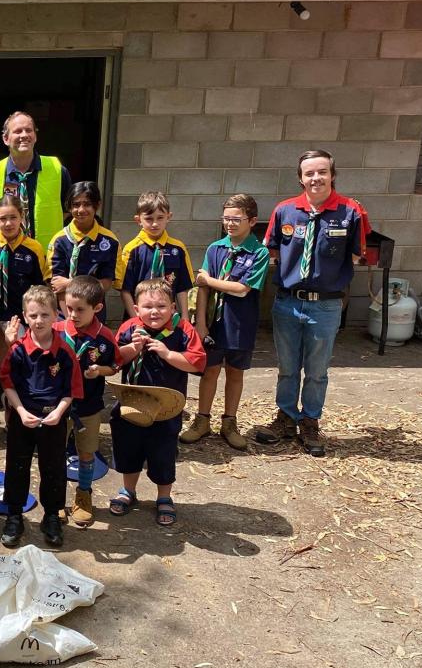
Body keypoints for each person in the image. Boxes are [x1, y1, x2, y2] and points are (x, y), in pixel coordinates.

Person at [254, 150, 370, 456]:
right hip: (288, 302)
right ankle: (285, 417)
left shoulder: (351, 211)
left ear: (332, 174)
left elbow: (359, 255)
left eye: (322, 172)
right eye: (309, 173)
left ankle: (310, 421)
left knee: (317, 370)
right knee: (287, 366)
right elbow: (274, 250)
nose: (315, 178)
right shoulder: (285, 210)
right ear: (300, 177)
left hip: (326, 305)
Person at [110, 279, 206, 527]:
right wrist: (133, 347)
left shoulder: (183, 329)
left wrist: (167, 353)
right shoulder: (129, 327)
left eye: (162, 306)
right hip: (132, 404)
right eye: (148, 306)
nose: (155, 312)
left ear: (173, 307)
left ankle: (164, 497)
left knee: (163, 452)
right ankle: (128, 491)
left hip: (166, 409)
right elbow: (113, 361)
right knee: (128, 448)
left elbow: (197, 363)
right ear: (137, 309)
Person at [180, 194, 270, 451]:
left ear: (252, 221)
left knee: (235, 372)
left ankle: (229, 422)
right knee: (210, 371)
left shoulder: (259, 252)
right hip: (213, 323)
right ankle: (202, 420)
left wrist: (208, 280)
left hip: (240, 321)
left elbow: (242, 289)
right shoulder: (215, 248)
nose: (230, 224)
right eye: (226, 218)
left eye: (236, 219)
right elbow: (202, 289)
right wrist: (200, 324)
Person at [0, 285, 82, 547]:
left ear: (56, 315)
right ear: (25, 317)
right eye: (33, 316)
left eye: (45, 315)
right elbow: (7, 383)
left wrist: (59, 413)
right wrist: (21, 412)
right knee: (16, 465)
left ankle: (52, 516)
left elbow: (71, 389)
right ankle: (14, 515)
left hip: (53, 420)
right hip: (22, 419)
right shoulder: (18, 350)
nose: (39, 321)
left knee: (54, 468)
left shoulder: (65, 353)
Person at [55, 276, 121, 527]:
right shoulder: (57, 331)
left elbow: (114, 365)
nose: (72, 314)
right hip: (59, 406)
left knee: (86, 452)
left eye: (80, 310)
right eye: (68, 308)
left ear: (98, 308)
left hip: (90, 407)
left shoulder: (104, 336)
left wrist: (99, 371)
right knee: (56, 452)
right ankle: (56, 498)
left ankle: (83, 495)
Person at [0, 194, 49, 411]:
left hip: (18, 313)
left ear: (22, 217)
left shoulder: (34, 248)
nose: (8, 223)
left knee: (18, 351)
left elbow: (41, 284)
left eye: (13, 217)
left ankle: (13, 385)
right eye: (3, 218)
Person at [0, 111, 73, 244]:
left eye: (29, 130)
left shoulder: (58, 171)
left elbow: (68, 210)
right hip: (3, 255)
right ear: (6, 139)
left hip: (46, 254)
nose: (24, 135)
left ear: (35, 136)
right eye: (18, 131)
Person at [47, 181, 120, 322]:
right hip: (64, 313)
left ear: (97, 205)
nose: (81, 210)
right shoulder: (59, 240)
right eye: (75, 205)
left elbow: (106, 283)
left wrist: (69, 283)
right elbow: (57, 285)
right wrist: (69, 318)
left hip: (94, 313)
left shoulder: (109, 241)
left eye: (86, 204)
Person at [115, 191, 193, 321]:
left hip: (169, 318)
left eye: (160, 218)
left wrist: (185, 316)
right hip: (139, 317)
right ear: (138, 220)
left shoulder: (178, 248)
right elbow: (125, 290)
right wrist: (136, 320)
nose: (155, 224)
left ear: (169, 217)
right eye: (149, 219)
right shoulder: (131, 249)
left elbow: (182, 287)